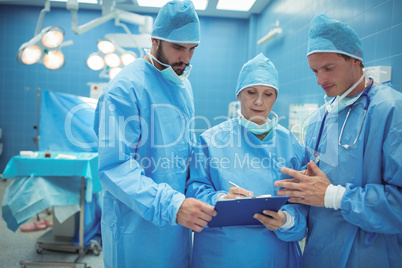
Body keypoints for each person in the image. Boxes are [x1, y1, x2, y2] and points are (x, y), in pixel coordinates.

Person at [93, 1, 216, 267]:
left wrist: (218, 185)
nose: (186, 58)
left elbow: (184, 152)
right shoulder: (125, 89)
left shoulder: (182, 85)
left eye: (192, 49)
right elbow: (115, 167)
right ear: (155, 41)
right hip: (135, 226)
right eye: (178, 47)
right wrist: (170, 206)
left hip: (175, 225)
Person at [275, 13, 402, 268]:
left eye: (328, 68)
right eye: (314, 71)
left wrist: (335, 196)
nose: (320, 80)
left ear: (356, 60)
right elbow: (313, 192)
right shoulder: (319, 119)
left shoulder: (391, 110)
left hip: (371, 255)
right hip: (320, 254)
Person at [186, 53, 308, 268]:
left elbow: (303, 201)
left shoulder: (291, 144)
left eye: (268, 94)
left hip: (274, 252)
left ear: (275, 98)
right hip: (221, 252)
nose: (259, 101)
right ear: (239, 95)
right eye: (251, 92)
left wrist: (286, 220)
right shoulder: (211, 140)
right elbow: (195, 188)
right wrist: (222, 198)